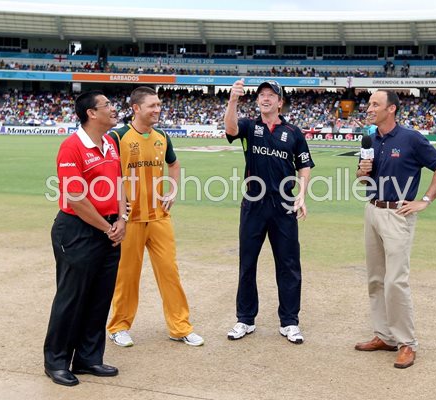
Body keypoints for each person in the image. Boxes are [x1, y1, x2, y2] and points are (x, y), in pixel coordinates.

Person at [355, 90, 436, 369]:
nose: (369, 108)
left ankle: (407, 342)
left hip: (398, 213)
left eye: (375, 104)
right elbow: (363, 180)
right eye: (369, 104)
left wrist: (425, 200)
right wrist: (362, 173)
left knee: (396, 280)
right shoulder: (370, 139)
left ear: (392, 109)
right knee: (375, 279)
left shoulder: (411, 138)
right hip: (372, 209)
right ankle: (384, 335)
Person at [106, 86, 204, 347]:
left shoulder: (162, 136)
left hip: (160, 217)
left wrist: (173, 188)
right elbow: (107, 174)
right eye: (152, 106)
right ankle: (118, 327)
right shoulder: (117, 136)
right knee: (127, 276)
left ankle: (179, 327)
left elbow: (174, 164)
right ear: (136, 108)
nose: (158, 109)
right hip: (129, 220)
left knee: (170, 273)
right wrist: (117, 210)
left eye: (159, 105)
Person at [43, 90, 127, 386]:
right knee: (72, 297)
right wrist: (108, 228)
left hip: (109, 229)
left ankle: (88, 358)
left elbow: (118, 183)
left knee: (99, 296)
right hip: (77, 230)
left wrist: (121, 219)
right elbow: (76, 198)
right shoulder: (72, 146)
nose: (113, 109)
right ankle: (56, 361)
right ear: (91, 113)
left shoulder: (110, 143)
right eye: (107, 105)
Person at [224, 79, 314, 344]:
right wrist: (232, 100)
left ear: (280, 102)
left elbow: (304, 166)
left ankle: (289, 322)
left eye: (271, 95)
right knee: (247, 263)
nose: (265, 98)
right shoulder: (250, 127)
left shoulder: (294, 133)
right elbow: (229, 128)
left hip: (284, 206)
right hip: (253, 204)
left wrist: (301, 194)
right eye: (261, 95)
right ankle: (245, 319)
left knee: (288, 265)